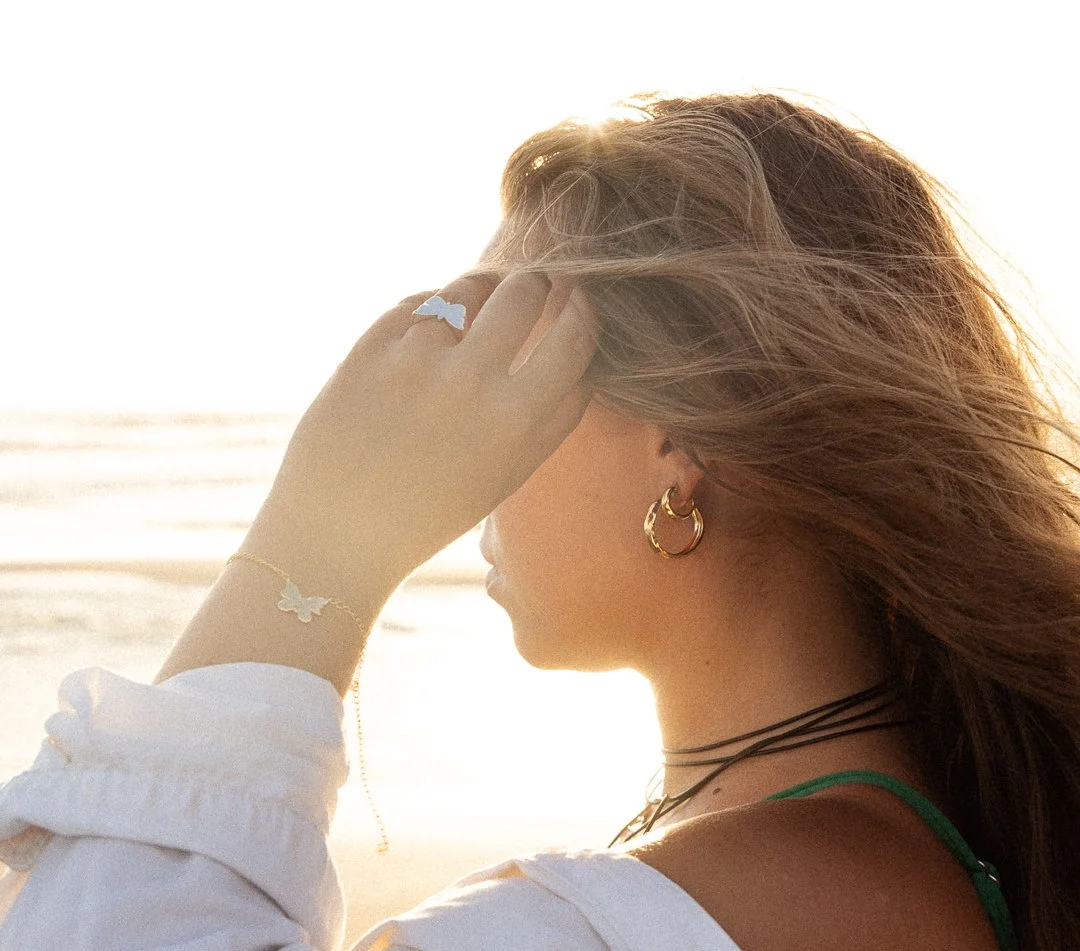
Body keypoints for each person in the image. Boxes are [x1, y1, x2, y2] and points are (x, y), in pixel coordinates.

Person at [0, 90, 1077, 950]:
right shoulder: (837, 862)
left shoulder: (755, 899)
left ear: (678, 446)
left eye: (506, 359)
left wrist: (319, 544)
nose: (465, 440)